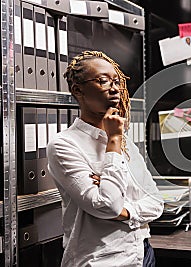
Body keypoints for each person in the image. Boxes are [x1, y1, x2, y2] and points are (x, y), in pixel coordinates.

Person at [47, 50, 164, 267]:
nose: (114, 88)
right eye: (103, 81)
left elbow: (156, 202)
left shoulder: (125, 143)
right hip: (101, 260)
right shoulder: (64, 145)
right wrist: (114, 140)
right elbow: (107, 205)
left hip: (141, 255)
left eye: (116, 81)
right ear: (77, 90)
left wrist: (125, 211)